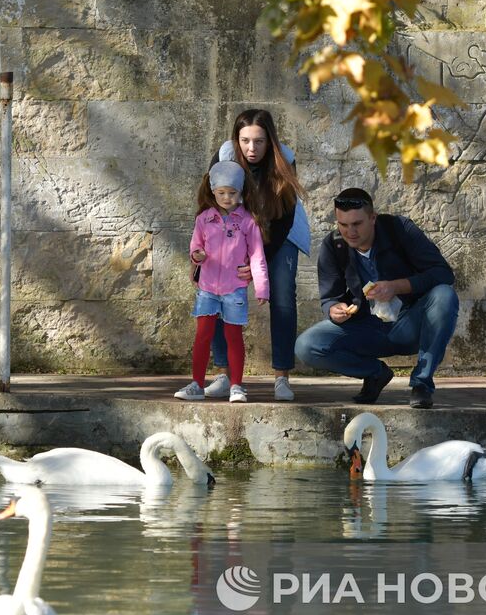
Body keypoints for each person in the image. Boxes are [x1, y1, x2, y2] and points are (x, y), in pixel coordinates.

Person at [295, 188, 458, 408]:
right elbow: (329, 298)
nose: (350, 232)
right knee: (307, 345)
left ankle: (422, 383)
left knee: (445, 295)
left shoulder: (399, 230)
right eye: (343, 225)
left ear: (373, 218)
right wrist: (334, 309)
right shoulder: (334, 245)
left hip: (410, 325)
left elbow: (443, 273)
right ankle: (375, 373)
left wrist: (397, 286)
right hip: (366, 329)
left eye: (357, 224)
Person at [202, 110, 308, 402]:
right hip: (234, 231)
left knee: (283, 294)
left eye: (259, 141)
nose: (252, 149)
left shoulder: (284, 157)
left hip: (279, 233)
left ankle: (282, 377)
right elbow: (212, 204)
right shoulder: (225, 156)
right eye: (245, 140)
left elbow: (284, 217)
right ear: (236, 139)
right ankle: (224, 374)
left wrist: (256, 261)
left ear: (270, 140)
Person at [174, 161, 270, 404]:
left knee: (233, 335)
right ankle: (196, 383)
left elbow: (257, 255)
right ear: (213, 191)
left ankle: (236, 385)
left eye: (233, 193)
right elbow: (195, 245)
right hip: (207, 288)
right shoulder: (204, 219)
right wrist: (197, 255)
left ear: (241, 192)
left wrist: (262, 287)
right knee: (203, 335)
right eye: (221, 193)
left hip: (234, 288)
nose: (227, 198)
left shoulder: (248, 221)